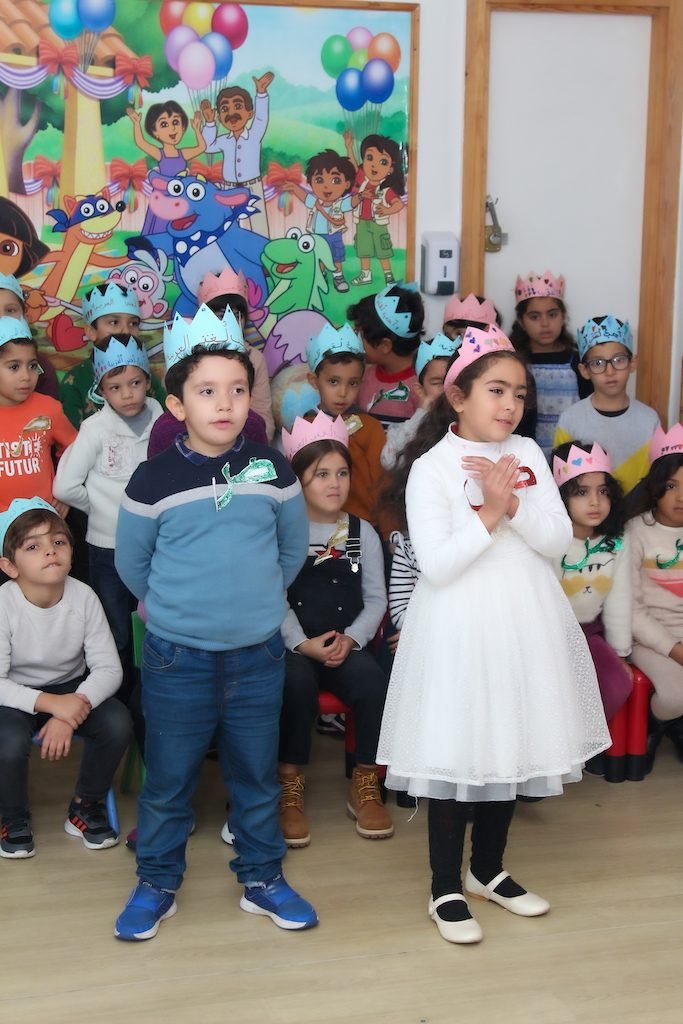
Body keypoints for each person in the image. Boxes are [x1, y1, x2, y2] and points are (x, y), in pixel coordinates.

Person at [376, 323, 609, 945]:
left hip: (525, 621)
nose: (510, 405)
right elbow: (439, 564)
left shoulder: (528, 452)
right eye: (497, 391)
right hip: (459, 628)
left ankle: (487, 870)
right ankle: (444, 887)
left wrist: (517, 504)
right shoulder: (431, 468)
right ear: (459, 397)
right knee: (459, 750)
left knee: (510, 743)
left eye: (519, 394)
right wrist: (491, 509)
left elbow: (557, 541)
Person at [113, 304, 316, 941]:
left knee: (255, 778)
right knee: (169, 782)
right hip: (178, 659)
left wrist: (255, 600)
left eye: (236, 389)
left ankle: (262, 879)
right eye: (206, 391)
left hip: (258, 656)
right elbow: (132, 565)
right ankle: (156, 884)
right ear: (177, 404)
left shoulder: (273, 469)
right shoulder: (152, 479)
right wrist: (176, 608)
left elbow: (291, 549)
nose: (224, 403)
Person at [277, 412, 390, 847]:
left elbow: (376, 598)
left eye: (342, 473)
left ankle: (365, 781)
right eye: (321, 474)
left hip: (345, 644)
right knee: (295, 685)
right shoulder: (285, 533)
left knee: (373, 683)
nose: (334, 483)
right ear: (299, 481)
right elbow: (274, 596)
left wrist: (352, 638)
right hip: (297, 647)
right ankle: (289, 783)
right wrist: (301, 643)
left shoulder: (361, 533)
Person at [0, 498, 130, 858]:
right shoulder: (4, 605)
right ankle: (12, 816)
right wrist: (53, 705)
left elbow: (109, 669)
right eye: (33, 546)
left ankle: (85, 806)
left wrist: (71, 709)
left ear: (72, 554)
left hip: (71, 690)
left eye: (58, 541)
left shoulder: (84, 596)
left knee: (117, 722)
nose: (50, 551)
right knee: (7, 739)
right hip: (14, 694)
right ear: (10, 566)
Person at [54, 335, 163, 709]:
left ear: (148, 381)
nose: (128, 394)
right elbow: (65, 486)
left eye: (135, 383)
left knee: (154, 628)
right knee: (115, 632)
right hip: (108, 549)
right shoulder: (94, 428)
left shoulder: (163, 419)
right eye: (115, 387)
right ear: (101, 391)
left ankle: (150, 706)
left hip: (155, 546)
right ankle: (117, 710)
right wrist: (101, 508)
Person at [551, 441, 632, 727]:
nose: (595, 502)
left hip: (590, 633)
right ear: (561, 497)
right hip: (551, 636)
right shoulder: (551, 541)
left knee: (617, 684)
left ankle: (587, 741)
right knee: (558, 690)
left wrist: (621, 653)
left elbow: (620, 600)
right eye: (582, 492)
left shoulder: (617, 542)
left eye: (603, 491)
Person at [626, 425, 683, 770]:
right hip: (649, 638)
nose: (680, 497)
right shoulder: (637, 531)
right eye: (672, 486)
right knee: (676, 695)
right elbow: (631, 610)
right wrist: (675, 649)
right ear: (656, 485)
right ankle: (655, 722)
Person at [554, 315, 659, 494]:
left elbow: (658, 475)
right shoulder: (570, 420)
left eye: (618, 360)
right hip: (588, 510)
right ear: (584, 370)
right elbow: (562, 480)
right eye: (598, 363)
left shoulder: (650, 419)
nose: (609, 371)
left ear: (633, 363)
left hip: (639, 509)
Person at [305, 322, 386, 529]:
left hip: (363, 527)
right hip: (315, 527)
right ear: (314, 381)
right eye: (333, 381)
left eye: (353, 383)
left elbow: (383, 484)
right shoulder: (304, 427)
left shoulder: (370, 428)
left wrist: (388, 533)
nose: (343, 393)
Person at [59, 282, 165, 430]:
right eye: (114, 322)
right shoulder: (75, 380)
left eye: (133, 323)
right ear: (91, 331)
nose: (126, 331)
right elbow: (72, 437)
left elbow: (166, 422)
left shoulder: (143, 374)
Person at [510, 270, 592, 456]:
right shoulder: (513, 363)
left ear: (563, 316)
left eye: (552, 314)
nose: (545, 323)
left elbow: (589, 409)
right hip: (526, 454)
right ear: (521, 322)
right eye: (534, 317)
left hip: (573, 455)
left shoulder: (577, 362)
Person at [0, 316, 76, 513]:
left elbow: (76, 450)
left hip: (43, 519)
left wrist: (66, 492)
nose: (26, 376)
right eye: (14, 367)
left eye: (32, 366)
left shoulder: (49, 409)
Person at [200, 74, 275, 237]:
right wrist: (210, 123)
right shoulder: (223, 141)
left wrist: (261, 93)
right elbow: (208, 146)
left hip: (252, 187)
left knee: (259, 226)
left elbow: (261, 119)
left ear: (250, 113)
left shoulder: (254, 134)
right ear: (220, 117)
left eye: (238, 106)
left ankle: (262, 252)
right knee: (228, 224)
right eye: (224, 109)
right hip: (229, 188)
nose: (231, 113)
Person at [349, 282, 424, 428]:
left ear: (385, 345)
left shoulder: (420, 387)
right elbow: (355, 423)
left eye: (359, 334)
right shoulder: (363, 377)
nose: (354, 339)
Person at [127, 101, 206, 235]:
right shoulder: (160, 154)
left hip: (181, 197)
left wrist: (197, 129)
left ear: (183, 127)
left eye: (175, 122)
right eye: (164, 124)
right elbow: (141, 142)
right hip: (163, 198)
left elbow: (202, 147)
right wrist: (136, 124)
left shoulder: (183, 154)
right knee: (160, 229)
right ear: (155, 132)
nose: (172, 128)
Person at [283, 149, 357, 292]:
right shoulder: (316, 202)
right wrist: (294, 188)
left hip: (334, 236)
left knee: (336, 257)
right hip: (316, 236)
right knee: (319, 257)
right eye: (319, 180)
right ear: (311, 183)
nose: (326, 186)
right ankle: (321, 275)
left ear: (347, 184)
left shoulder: (339, 204)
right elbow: (305, 197)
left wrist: (360, 197)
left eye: (335, 180)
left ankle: (338, 277)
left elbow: (351, 203)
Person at [381, 333, 458, 470]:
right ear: (420, 390)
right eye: (438, 383)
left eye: (454, 381)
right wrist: (420, 415)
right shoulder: (411, 428)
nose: (447, 389)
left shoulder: (475, 424)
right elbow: (389, 461)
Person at [344, 132, 405, 287]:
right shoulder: (361, 178)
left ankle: (388, 275)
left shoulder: (386, 189)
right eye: (369, 158)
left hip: (378, 224)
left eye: (383, 162)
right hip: (361, 222)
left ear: (391, 169)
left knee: (383, 250)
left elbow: (398, 204)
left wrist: (387, 210)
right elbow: (352, 165)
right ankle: (365, 274)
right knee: (363, 249)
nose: (374, 165)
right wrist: (349, 147)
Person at [0, 272, 59, 399]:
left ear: (25, 318)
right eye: (14, 367)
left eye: (10, 310)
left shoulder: (44, 370)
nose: (3, 319)